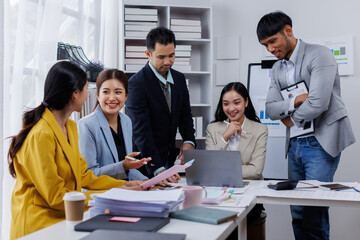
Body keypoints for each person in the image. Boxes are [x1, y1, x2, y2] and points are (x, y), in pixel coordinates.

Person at [8, 61, 142, 239]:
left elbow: (84, 175)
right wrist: (114, 195)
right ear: (75, 94)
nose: (89, 95)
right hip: (38, 224)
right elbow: (56, 197)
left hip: (65, 217)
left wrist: (123, 185)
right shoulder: (41, 135)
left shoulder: (70, 127)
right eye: (87, 89)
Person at [257, 11, 355, 240]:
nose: (270, 49)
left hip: (320, 142)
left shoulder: (319, 55)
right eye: (265, 45)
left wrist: (291, 117)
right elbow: (271, 108)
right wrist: (293, 101)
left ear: (288, 31)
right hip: (295, 145)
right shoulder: (279, 68)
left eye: (273, 41)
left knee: (315, 210)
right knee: (298, 210)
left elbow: (318, 103)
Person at [126, 27, 196, 181]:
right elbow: (141, 132)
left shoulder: (179, 79)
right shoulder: (136, 84)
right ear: (148, 54)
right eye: (161, 57)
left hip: (170, 159)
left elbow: (185, 114)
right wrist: (158, 168)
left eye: (171, 55)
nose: (167, 61)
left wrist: (189, 140)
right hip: (145, 163)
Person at [205, 82, 268, 238]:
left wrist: (220, 171)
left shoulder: (260, 129)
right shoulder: (213, 129)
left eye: (237, 102)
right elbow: (209, 165)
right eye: (226, 104)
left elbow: (256, 170)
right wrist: (225, 136)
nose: (231, 108)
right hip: (220, 195)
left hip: (250, 193)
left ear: (246, 102)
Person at [78, 69, 150, 181]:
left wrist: (148, 182)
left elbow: (128, 171)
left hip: (125, 191)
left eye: (118, 92)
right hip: (101, 194)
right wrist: (123, 166)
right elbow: (89, 174)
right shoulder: (86, 125)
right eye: (106, 92)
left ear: (126, 96)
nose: (112, 98)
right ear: (98, 95)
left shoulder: (126, 121)